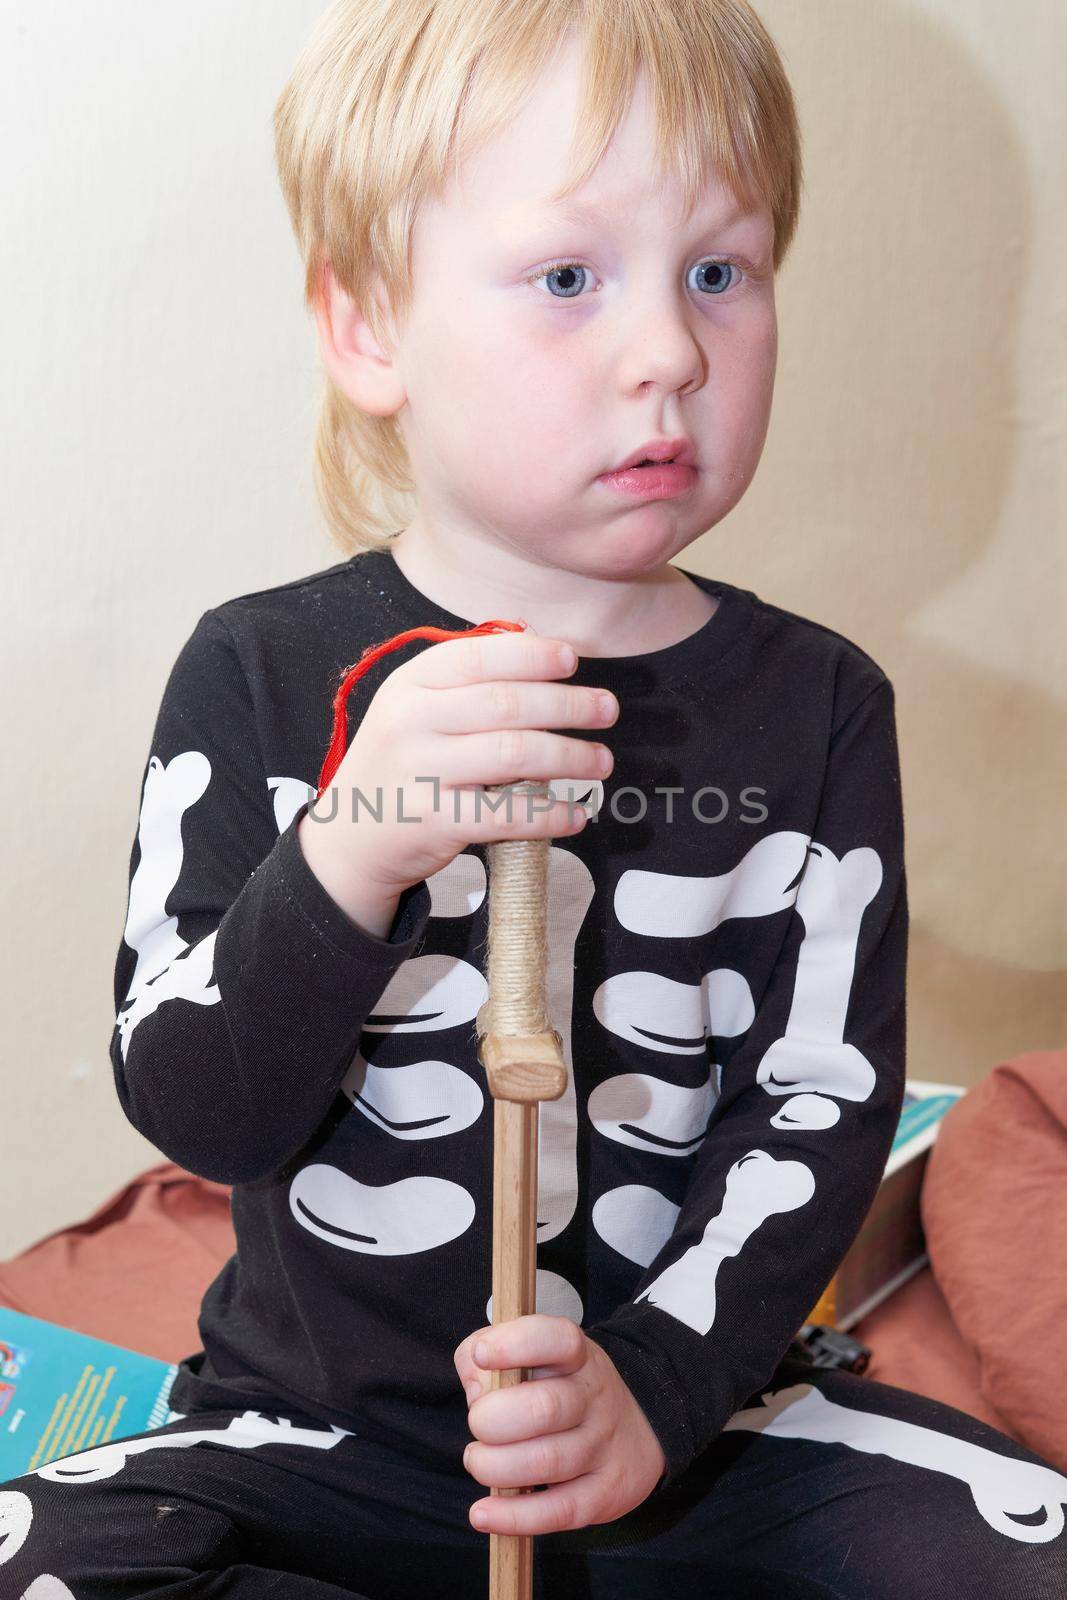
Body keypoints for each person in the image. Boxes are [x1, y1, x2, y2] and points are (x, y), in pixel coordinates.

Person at [2, 1, 1065, 1595]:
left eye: (722, 270)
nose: (671, 351)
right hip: (318, 1436)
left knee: (1020, 1543)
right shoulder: (258, 674)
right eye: (569, 278)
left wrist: (656, 1390)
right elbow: (192, 1100)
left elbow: (820, 1106)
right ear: (368, 330)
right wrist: (352, 844)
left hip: (692, 1430)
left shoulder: (822, 707)